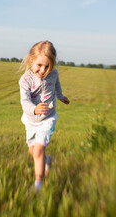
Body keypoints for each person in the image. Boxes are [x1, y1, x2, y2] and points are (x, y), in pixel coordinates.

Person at [19, 41, 70, 193]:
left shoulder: (53, 74)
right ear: (31, 61)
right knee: (32, 151)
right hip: (30, 120)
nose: (43, 70)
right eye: (39, 65)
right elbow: (25, 101)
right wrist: (34, 109)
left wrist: (61, 96)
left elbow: (56, 86)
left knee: (38, 151)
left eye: (47, 66)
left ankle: (38, 184)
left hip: (48, 119)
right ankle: (46, 160)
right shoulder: (25, 80)